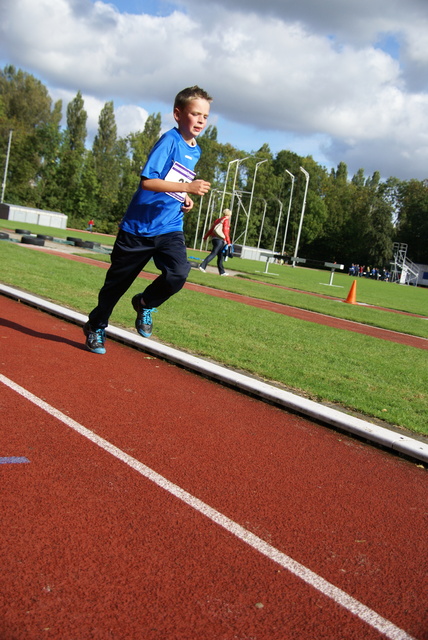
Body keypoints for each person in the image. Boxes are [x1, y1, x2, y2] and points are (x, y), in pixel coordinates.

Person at [83, 86, 212, 354]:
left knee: (178, 273)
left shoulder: (195, 150)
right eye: (195, 114)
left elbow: (175, 181)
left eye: (205, 116)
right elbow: (148, 182)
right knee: (114, 287)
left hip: (169, 227)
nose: (200, 120)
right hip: (137, 230)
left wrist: (184, 198)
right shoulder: (169, 141)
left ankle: (144, 303)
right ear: (178, 114)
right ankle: (96, 326)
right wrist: (188, 188)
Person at [199, 209, 232, 276]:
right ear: (229, 215)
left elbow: (211, 229)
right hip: (220, 240)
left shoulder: (218, 220)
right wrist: (228, 242)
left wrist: (206, 237)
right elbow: (225, 231)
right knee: (214, 253)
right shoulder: (226, 220)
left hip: (214, 239)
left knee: (220, 256)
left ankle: (222, 272)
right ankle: (202, 266)